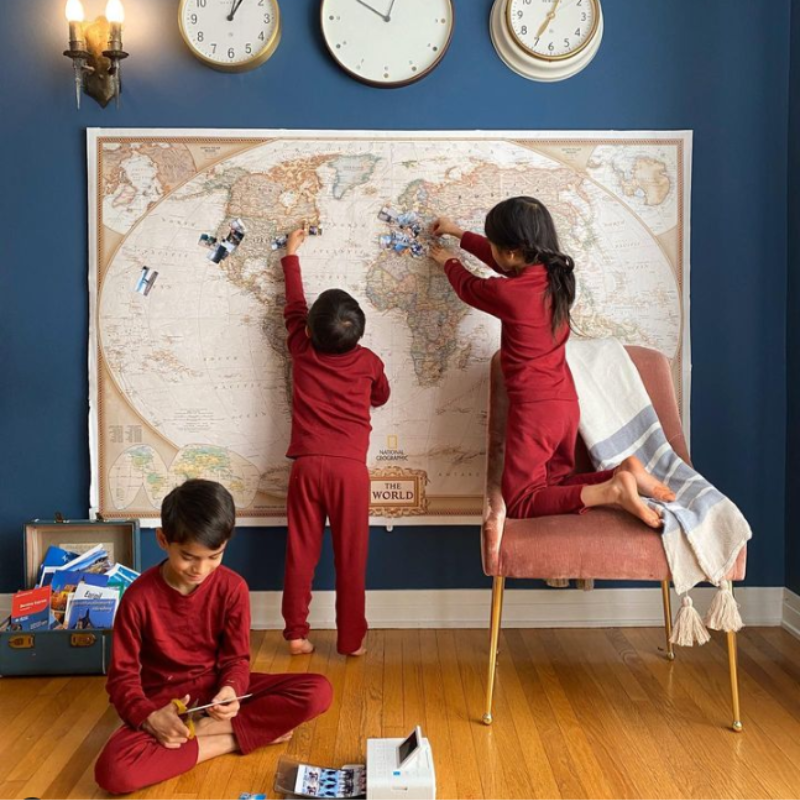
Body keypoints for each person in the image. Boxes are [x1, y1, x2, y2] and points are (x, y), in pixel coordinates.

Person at [430, 196, 674, 526]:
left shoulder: (510, 294)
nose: (495, 252)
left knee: (520, 500)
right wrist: (458, 233)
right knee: (551, 487)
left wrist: (449, 262)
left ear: (514, 252)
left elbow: (470, 287)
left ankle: (613, 492)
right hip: (565, 405)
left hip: (535, 413)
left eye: (496, 245)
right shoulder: (557, 278)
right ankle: (623, 472)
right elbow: (501, 259)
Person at [94, 479, 332, 795]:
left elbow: (236, 660)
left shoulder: (233, 588)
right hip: (168, 704)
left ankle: (214, 731)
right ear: (163, 540)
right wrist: (149, 717)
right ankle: (233, 738)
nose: (201, 569)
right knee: (113, 772)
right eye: (189, 556)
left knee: (318, 691)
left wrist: (231, 690)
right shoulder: (137, 599)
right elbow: (121, 680)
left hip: (215, 692)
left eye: (214, 555)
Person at [279, 228, 390, 657]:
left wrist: (291, 254)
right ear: (357, 332)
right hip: (349, 472)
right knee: (351, 558)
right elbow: (381, 395)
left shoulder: (301, 349)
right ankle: (350, 640)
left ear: (309, 329)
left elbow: (293, 306)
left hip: (306, 467)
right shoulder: (368, 362)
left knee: (300, 552)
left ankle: (295, 634)